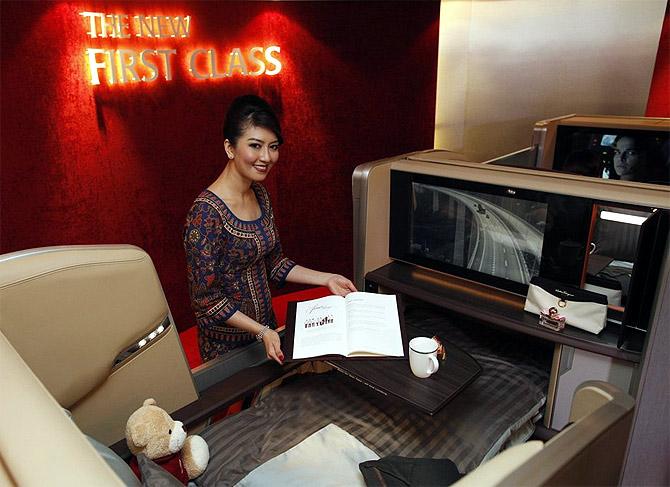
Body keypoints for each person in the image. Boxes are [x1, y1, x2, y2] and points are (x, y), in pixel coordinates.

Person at [183, 94, 357, 364]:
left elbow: (275, 263)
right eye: (255, 145)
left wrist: (327, 278)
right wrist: (260, 330)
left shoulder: (260, 194)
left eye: (273, 146)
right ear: (230, 148)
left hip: (268, 332)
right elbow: (206, 301)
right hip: (226, 348)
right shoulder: (204, 214)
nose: (266, 157)